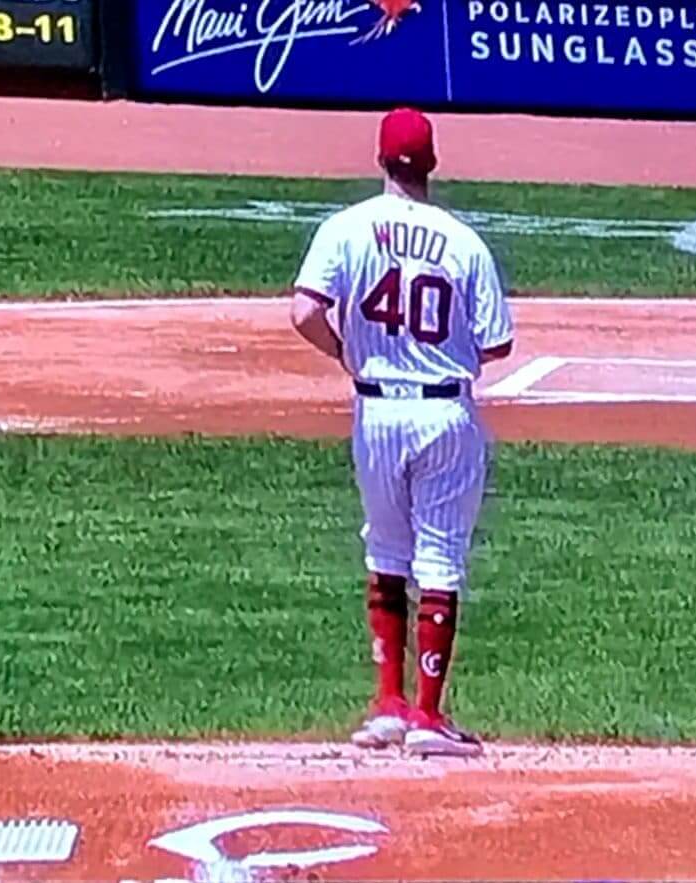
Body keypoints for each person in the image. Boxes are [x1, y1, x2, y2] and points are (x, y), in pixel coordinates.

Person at [289, 107, 515, 757]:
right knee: (441, 556)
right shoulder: (463, 241)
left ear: (382, 159)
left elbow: (304, 310)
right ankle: (426, 712)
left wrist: (349, 352)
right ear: (432, 164)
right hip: (444, 412)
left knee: (386, 549)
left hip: (375, 410)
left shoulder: (346, 227)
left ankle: (387, 704)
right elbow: (497, 343)